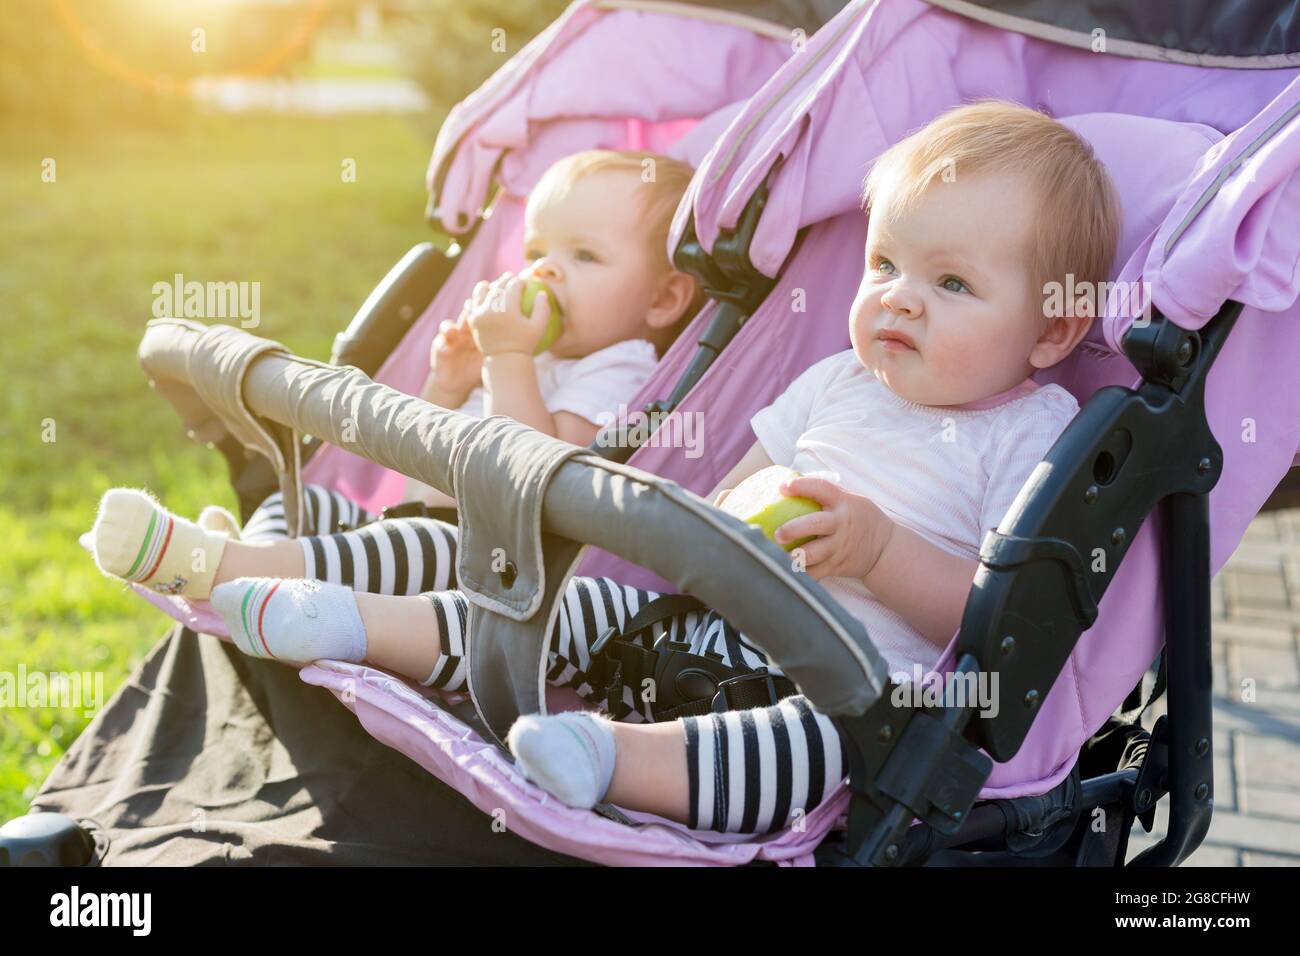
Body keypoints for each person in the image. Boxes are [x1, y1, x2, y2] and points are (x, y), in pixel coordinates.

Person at [86, 100, 1120, 835]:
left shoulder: (1031, 434)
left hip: (844, 679)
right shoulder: (829, 383)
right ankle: (348, 620)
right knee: (569, 606)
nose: (895, 299)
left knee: (816, 750)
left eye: (947, 282)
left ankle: (603, 755)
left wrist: (880, 548)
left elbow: (998, 624)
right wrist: (734, 516)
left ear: (1050, 328)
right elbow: (718, 504)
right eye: (884, 265)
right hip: (691, 625)